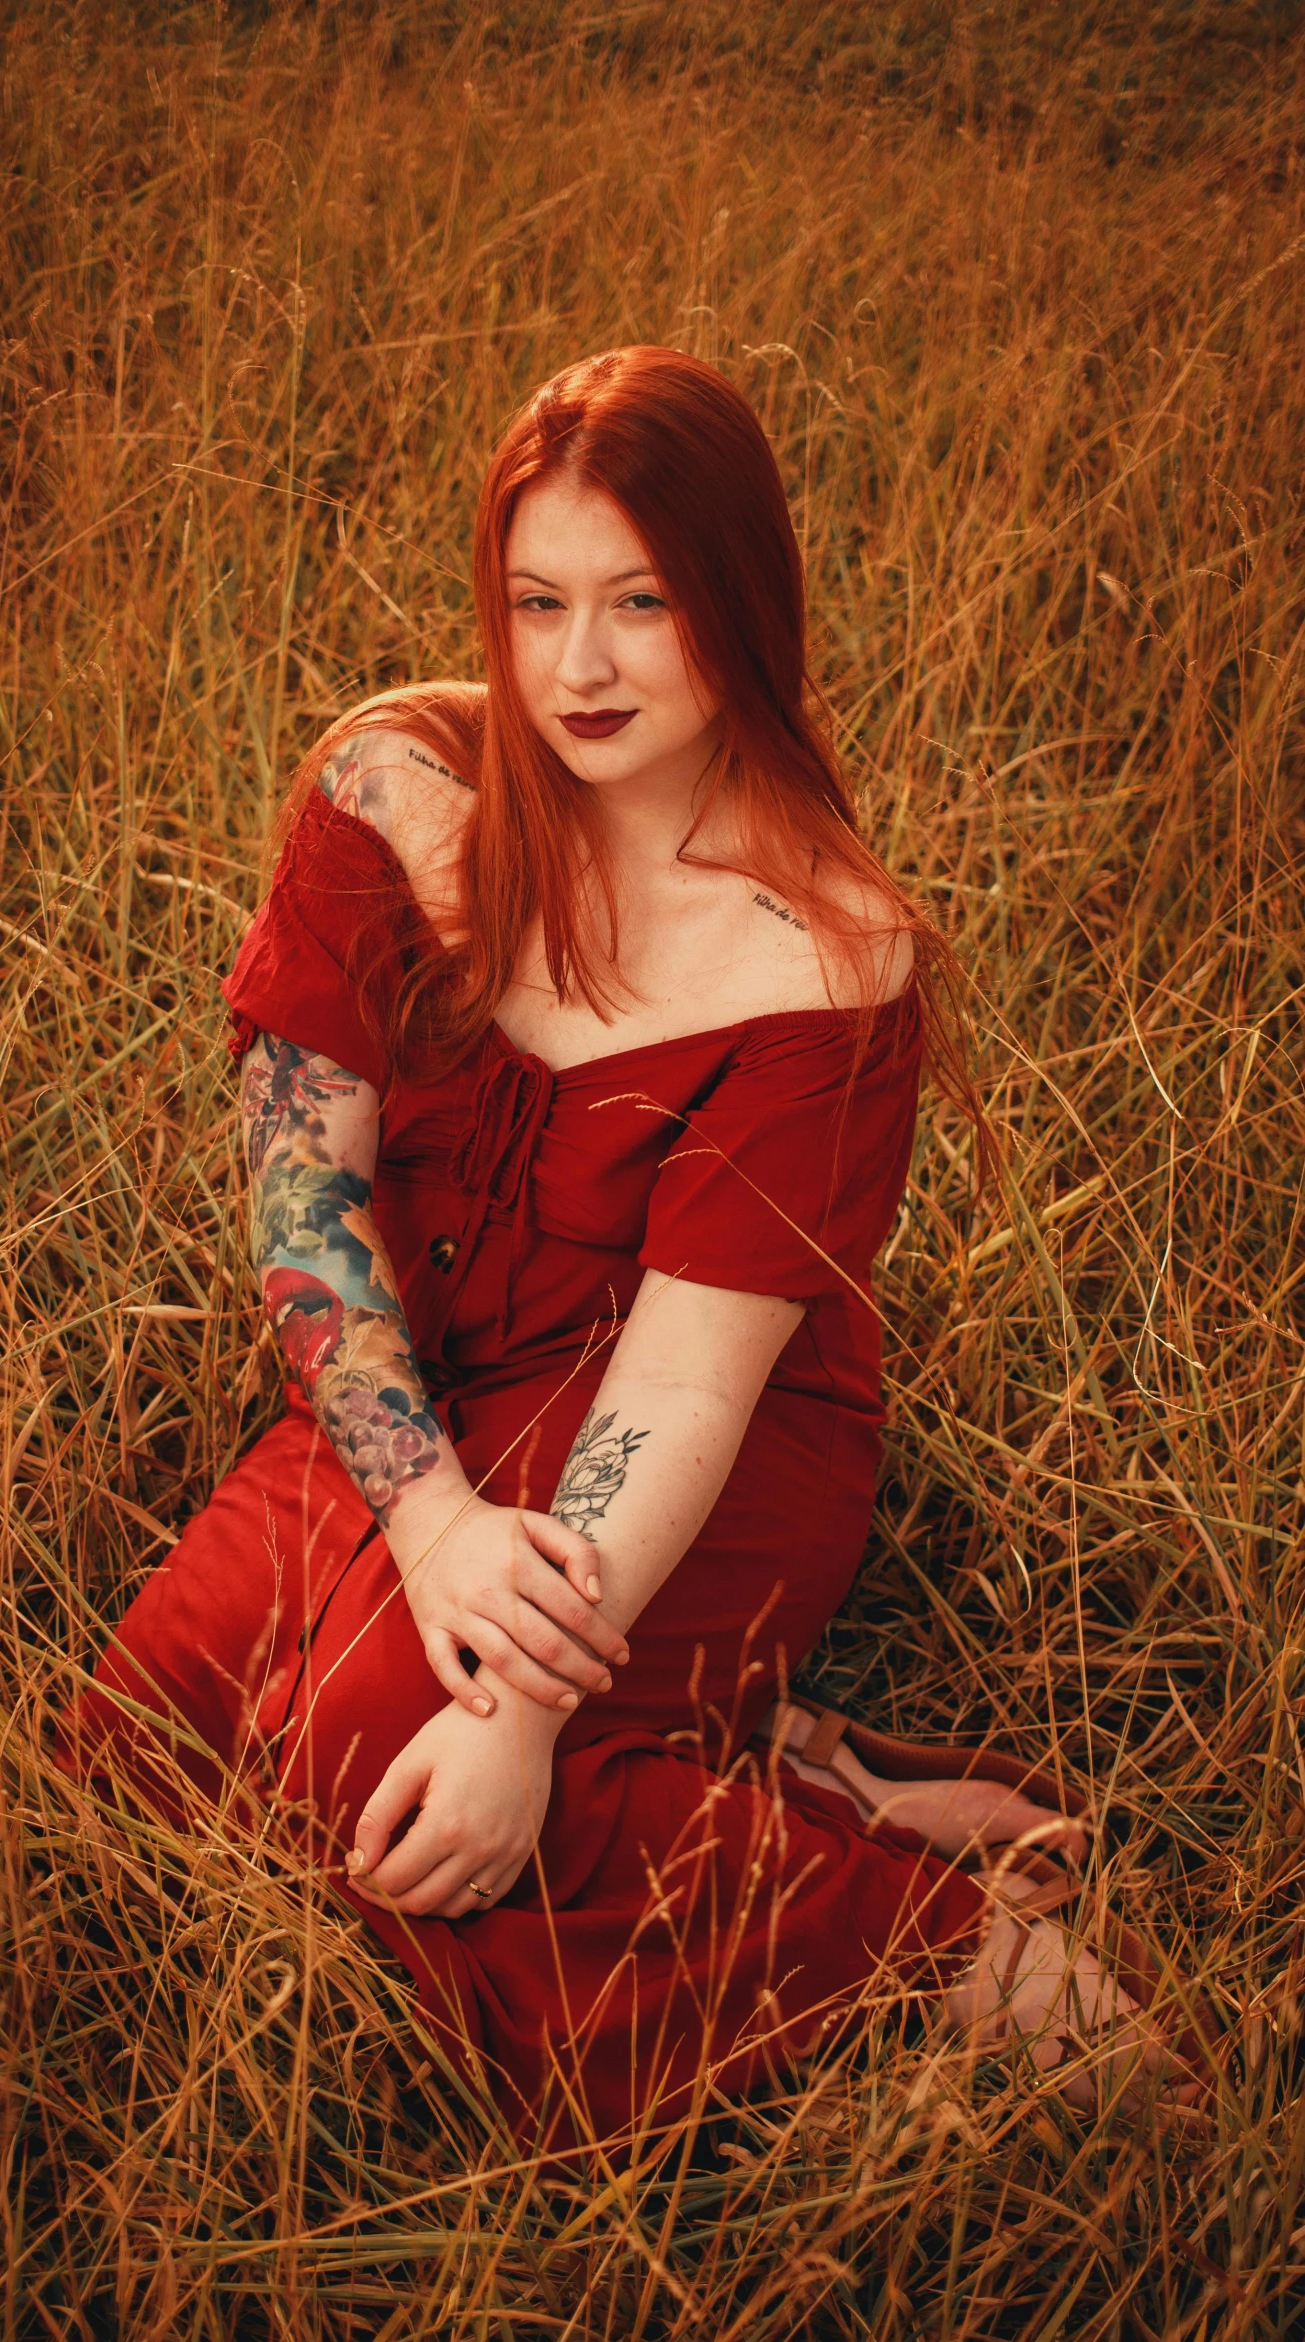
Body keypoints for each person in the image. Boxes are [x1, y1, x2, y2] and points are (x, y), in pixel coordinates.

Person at [60, 347, 1207, 2146]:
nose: (577, 668)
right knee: (142, 1755)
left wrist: (517, 1710)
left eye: (640, 606)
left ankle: (942, 1939)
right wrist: (429, 1515)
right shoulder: (391, 791)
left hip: (705, 1437)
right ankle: (781, 1762)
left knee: (391, 1768)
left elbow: (683, 1376)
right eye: (536, 602)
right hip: (427, 1389)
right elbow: (306, 1201)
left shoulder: (822, 952)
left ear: (735, 606)